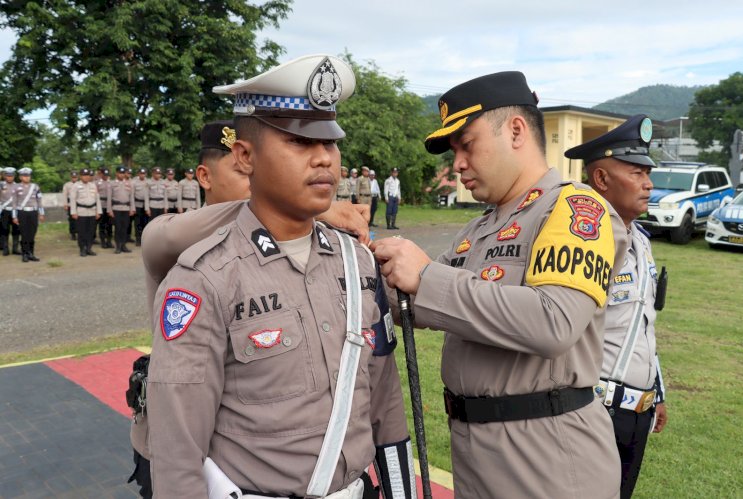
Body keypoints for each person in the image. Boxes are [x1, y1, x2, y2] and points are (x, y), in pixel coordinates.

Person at [147, 54, 414, 499]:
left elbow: (384, 398)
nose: (323, 159)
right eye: (299, 142)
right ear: (245, 156)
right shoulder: (205, 278)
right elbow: (178, 450)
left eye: (329, 143)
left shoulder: (358, 262)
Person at [371, 71, 628, 499]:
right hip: (476, 448)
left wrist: (427, 277)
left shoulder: (573, 209)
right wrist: (361, 260)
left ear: (515, 130)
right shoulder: (479, 228)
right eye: (453, 151)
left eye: (466, 145)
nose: (456, 164)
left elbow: (554, 321)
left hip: (545, 455)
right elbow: (413, 302)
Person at [128, 119, 374, 499]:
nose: (250, 180)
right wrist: (303, 205)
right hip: (192, 453)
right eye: (241, 169)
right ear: (208, 176)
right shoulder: (177, 239)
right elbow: (166, 237)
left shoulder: (320, 245)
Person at [565, 114, 668, 499]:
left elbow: (642, 324)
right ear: (602, 180)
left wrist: (656, 392)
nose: (649, 183)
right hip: (595, 408)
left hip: (636, 413)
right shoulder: (584, 241)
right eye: (637, 173)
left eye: (648, 173)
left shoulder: (640, 240)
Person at [12, 167, 44, 262]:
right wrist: (14, 216)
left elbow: (39, 200)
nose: (27, 178)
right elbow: (14, 203)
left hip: (33, 212)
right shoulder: (16, 187)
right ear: (20, 177)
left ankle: (31, 253)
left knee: (32, 233)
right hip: (22, 213)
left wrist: (41, 213)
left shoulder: (35, 187)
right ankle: (24, 254)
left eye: (28, 176)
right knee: (24, 234)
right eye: (25, 176)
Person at [70, 167, 102, 256]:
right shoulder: (75, 186)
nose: (86, 177)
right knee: (82, 232)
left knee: (91, 231)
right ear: (80, 176)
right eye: (84, 175)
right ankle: (82, 249)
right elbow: (72, 199)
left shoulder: (93, 185)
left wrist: (98, 211)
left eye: (87, 175)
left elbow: (97, 199)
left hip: (92, 211)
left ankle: (89, 248)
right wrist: (73, 212)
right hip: (81, 212)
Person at [108, 165, 136, 254]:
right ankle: (118, 246)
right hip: (116, 208)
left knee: (125, 228)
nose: (122, 175)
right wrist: (109, 210)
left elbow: (131, 197)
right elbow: (109, 198)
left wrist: (132, 209)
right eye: (120, 173)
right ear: (116, 173)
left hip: (126, 208)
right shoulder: (112, 184)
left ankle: (124, 245)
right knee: (118, 228)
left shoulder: (129, 184)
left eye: (123, 173)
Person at [1, 167, 22, 256]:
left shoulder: (18, 186)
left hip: (15, 212)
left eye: (11, 176)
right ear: (5, 176)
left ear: (14, 176)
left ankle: (15, 249)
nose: (10, 177)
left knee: (16, 230)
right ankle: (5, 249)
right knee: (4, 230)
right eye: (8, 176)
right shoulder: (1, 185)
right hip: (4, 211)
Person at [96, 167, 113, 248]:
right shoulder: (97, 183)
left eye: (107, 175)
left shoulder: (111, 183)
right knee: (102, 225)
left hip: (109, 206)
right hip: (101, 205)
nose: (106, 176)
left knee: (109, 225)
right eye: (104, 175)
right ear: (101, 174)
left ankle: (109, 241)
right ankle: (103, 242)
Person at [133, 167, 150, 246]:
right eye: (141, 173)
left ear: (146, 174)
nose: (142, 175)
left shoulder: (149, 181)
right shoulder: (134, 182)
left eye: (144, 173)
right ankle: (138, 239)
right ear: (138, 174)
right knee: (137, 222)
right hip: (137, 204)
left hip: (146, 205)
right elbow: (132, 195)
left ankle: (145, 239)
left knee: (145, 222)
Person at [62, 170, 79, 241]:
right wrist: (65, 204)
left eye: (75, 177)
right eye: (73, 177)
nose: (74, 178)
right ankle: (73, 234)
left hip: (79, 203)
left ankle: (80, 232)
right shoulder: (67, 185)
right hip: (70, 204)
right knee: (72, 220)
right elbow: (65, 195)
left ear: (77, 177)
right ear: (71, 177)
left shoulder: (80, 184)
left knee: (80, 219)